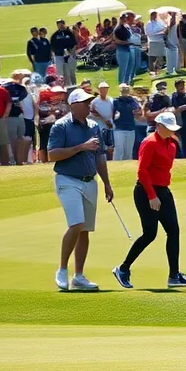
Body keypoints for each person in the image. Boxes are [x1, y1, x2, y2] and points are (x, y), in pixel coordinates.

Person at [112, 111, 186, 290]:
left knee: (173, 230)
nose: (171, 131)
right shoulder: (150, 142)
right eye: (168, 128)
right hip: (145, 191)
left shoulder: (171, 144)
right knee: (150, 234)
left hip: (163, 190)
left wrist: (160, 193)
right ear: (158, 126)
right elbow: (142, 171)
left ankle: (174, 275)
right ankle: (123, 269)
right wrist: (152, 196)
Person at [49, 87, 115, 291]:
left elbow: (100, 157)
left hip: (89, 181)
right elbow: (52, 155)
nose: (89, 105)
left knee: (85, 229)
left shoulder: (94, 126)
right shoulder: (61, 126)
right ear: (73, 105)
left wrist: (106, 183)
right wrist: (81, 147)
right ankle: (62, 269)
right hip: (68, 179)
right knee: (77, 223)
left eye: (89, 102)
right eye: (85, 103)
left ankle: (78, 276)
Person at [113, 84, 142, 162]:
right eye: (123, 90)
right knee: (119, 150)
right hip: (119, 128)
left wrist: (136, 109)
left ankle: (127, 166)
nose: (125, 91)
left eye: (126, 89)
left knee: (128, 151)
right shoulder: (116, 101)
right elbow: (112, 114)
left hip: (130, 128)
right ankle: (117, 166)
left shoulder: (131, 100)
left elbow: (138, 109)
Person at [144, 11, 166, 77]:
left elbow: (163, 28)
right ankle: (152, 70)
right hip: (153, 41)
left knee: (160, 56)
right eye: (152, 15)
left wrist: (159, 31)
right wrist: (158, 31)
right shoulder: (149, 23)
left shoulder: (159, 22)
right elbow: (149, 33)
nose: (154, 16)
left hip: (160, 41)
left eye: (155, 14)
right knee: (152, 57)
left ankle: (158, 69)